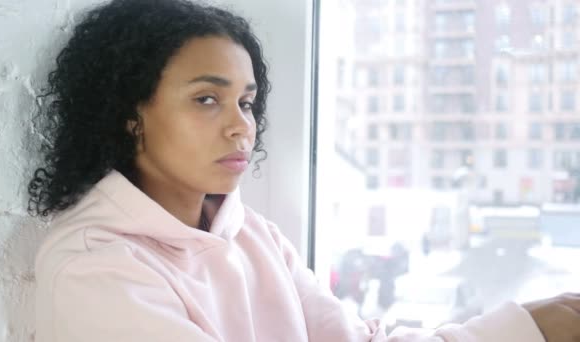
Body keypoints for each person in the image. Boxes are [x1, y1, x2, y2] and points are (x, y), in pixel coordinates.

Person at [29, 0, 580, 341]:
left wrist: (527, 326)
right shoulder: (93, 266)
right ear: (129, 117)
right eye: (205, 99)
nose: (241, 126)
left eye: (246, 102)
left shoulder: (253, 236)